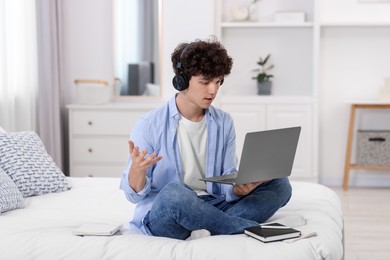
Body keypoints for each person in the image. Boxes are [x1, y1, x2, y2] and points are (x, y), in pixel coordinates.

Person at [120, 38, 292, 240]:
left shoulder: (224, 122)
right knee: (175, 193)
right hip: (166, 211)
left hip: (212, 203)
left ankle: (209, 224)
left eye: (218, 82)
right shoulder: (149, 124)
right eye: (205, 82)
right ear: (182, 80)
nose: (213, 90)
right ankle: (243, 227)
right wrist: (137, 172)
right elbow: (133, 195)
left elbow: (228, 176)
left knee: (280, 184)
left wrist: (239, 189)